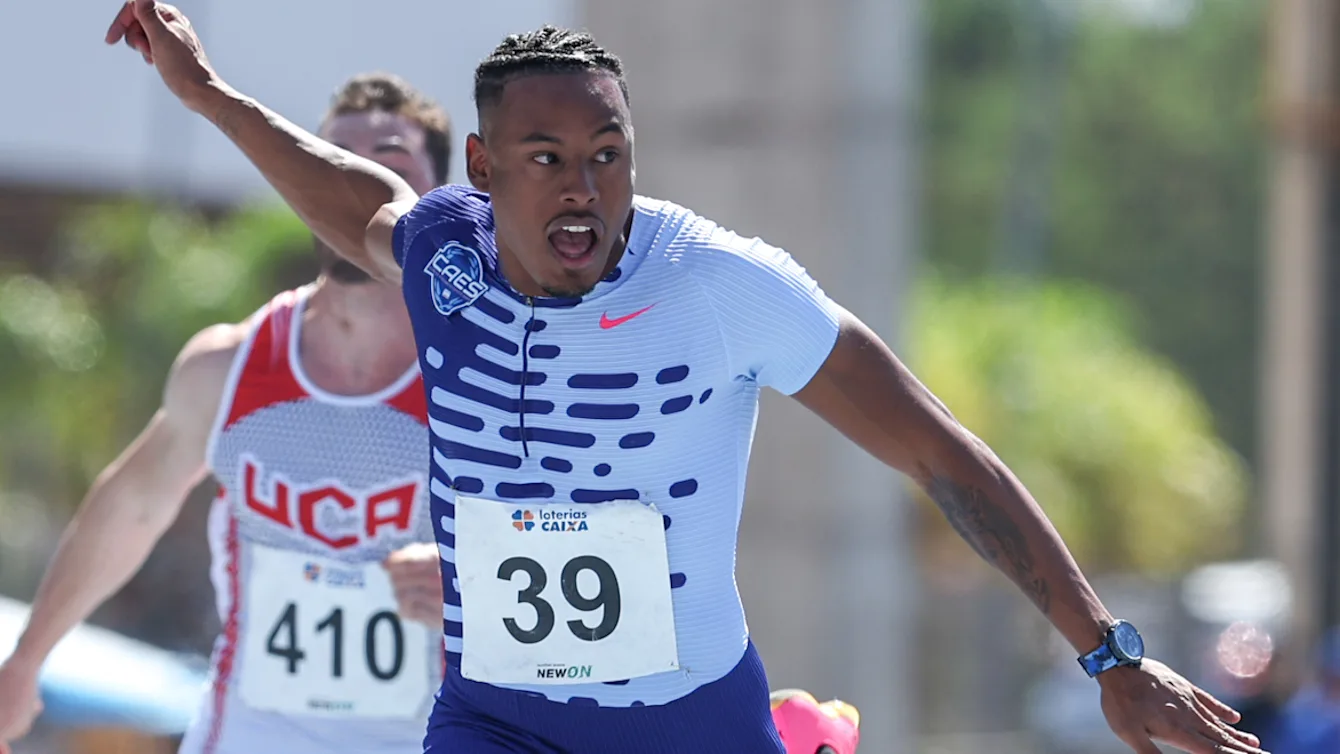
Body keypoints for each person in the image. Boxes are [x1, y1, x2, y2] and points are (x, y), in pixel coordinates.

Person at [102, 1, 1270, 752]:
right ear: (483, 166)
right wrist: (203, 93)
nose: (583, 189)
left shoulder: (720, 285)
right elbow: (340, 193)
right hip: (492, 717)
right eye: (548, 160)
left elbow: (935, 449)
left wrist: (1110, 655)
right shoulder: (442, 253)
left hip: (685, 722)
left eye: (607, 156)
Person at [0, 71, 453, 754]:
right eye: (329, 164)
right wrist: (26, 661)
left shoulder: (479, 376)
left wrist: (472, 584)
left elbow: (571, 532)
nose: (350, 189)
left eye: (384, 166)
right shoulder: (229, 367)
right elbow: (130, 511)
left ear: (433, 197)